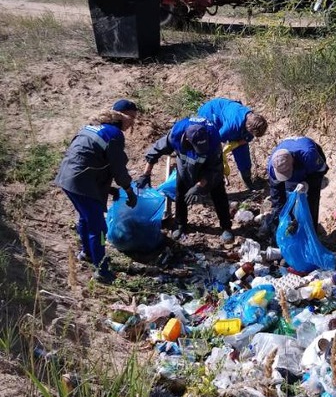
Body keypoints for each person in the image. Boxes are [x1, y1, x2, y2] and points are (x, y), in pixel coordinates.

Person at [55, 99, 138, 284]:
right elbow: (118, 169)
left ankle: (87, 253)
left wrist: (108, 189)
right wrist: (128, 190)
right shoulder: (115, 134)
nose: (132, 122)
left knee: (86, 218)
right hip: (80, 182)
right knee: (99, 227)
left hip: (67, 178)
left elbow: (88, 161)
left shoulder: (92, 127)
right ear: (121, 115)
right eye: (131, 117)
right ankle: (101, 269)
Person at [137, 116, 233, 243]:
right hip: (184, 166)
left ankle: (226, 227)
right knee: (180, 193)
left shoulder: (213, 140)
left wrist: (198, 186)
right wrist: (146, 174)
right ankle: (180, 224)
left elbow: (213, 170)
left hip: (208, 167)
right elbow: (155, 151)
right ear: (186, 139)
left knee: (218, 193)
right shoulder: (175, 135)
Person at [195, 97, 267, 189]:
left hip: (229, 117)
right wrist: (222, 157)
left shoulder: (252, 119)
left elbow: (247, 138)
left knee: (243, 152)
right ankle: (208, 182)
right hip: (210, 113)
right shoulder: (232, 126)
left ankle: (247, 180)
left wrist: (236, 144)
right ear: (248, 128)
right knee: (211, 152)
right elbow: (215, 140)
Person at [265, 136, 328, 231]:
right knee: (289, 198)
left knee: (312, 199)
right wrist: (281, 216)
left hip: (308, 162)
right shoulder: (272, 167)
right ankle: (295, 228)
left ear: (293, 162)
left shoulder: (309, 155)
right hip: (292, 154)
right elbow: (276, 193)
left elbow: (322, 170)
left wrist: (307, 183)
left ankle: (311, 230)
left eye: (287, 173)